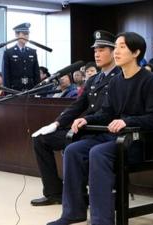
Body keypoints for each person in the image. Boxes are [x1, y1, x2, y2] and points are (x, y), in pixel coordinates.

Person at [47, 31, 153, 225]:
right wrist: (86, 119)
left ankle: (102, 220)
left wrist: (128, 121)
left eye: (121, 47)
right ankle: (73, 211)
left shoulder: (149, 80)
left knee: (98, 153)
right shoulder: (116, 81)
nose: (116, 52)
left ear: (136, 53)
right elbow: (106, 113)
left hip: (137, 140)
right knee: (73, 150)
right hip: (114, 138)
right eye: (116, 47)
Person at [30, 30, 121, 207]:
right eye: (95, 50)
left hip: (103, 131)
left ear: (113, 51)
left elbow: (110, 111)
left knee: (74, 146)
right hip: (86, 130)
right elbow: (77, 106)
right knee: (41, 140)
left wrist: (86, 121)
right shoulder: (93, 79)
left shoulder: (120, 77)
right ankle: (54, 192)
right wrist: (57, 123)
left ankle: (79, 196)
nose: (97, 53)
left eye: (102, 49)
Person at [2, 23, 40, 91]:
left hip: (30, 89)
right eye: (23, 34)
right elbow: (6, 75)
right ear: (16, 35)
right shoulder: (9, 52)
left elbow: (36, 74)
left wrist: (38, 90)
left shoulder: (32, 52)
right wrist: (7, 91)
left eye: (27, 34)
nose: (26, 36)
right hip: (14, 89)